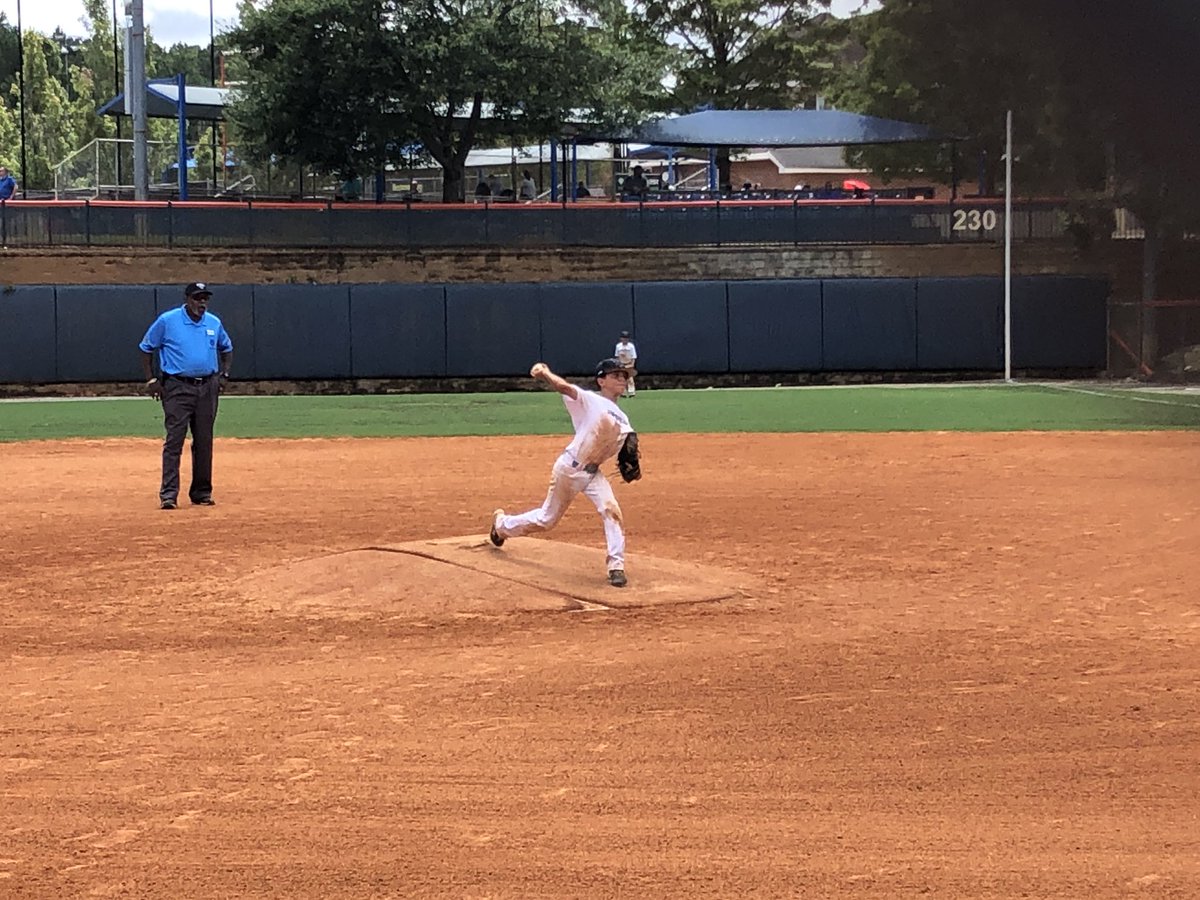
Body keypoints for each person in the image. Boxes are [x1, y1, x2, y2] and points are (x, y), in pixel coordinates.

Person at [490, 359, 639, 588]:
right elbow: (565, 388)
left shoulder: (623, 417)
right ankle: (502, 526)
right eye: (616, 375)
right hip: (570, 468)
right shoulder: (590, 400)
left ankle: (616, 566)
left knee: (611, 510)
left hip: (593, 473)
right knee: (546, 520)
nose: (622, 379)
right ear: (601, 380)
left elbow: (621, 446)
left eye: (624, 375)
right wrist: (546, 373)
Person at [138, 282, 233, 510]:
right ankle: (169, 494)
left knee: (203, 441)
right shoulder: (168, 321)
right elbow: (146, 348)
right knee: (174, 441)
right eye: (197, 298)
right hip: (177, 387)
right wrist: (152, 379)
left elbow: (226, 348)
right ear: (187, 299)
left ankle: (201, 492)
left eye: (205, 299)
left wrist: (224, 374)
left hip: (207, 387)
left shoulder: (213, 322)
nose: (202, 303)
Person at [614, 330, 638, 397]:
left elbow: (634, 356)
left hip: (629, 363)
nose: (625, 340)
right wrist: (618, 365)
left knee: (630, 378)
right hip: (621, 364)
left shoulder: (631, 346)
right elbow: (617, 356)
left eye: (626, 338)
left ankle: (631, 392)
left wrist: (632, 364)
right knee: (622, 378)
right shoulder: (618, 346)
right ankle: (622, 392)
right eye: (623, 338)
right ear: (621, 339)